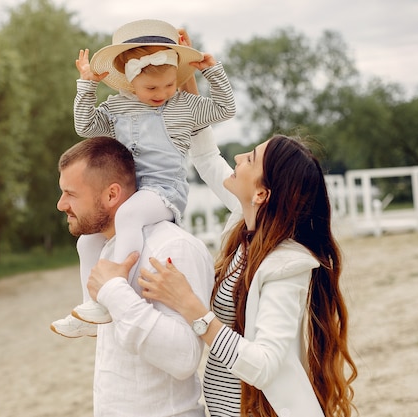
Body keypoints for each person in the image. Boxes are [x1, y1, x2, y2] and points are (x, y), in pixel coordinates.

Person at [95, 127, 358, 416]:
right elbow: (207, 157)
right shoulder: (244, 229)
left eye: (251, 159)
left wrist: (190, 305)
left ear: (261, 194)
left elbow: (264, 365)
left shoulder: (286, 265)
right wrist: (188, 92)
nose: (239, 156)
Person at [51, 19, 235, 337]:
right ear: (130, 81)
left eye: (168, 85)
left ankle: (115, 285)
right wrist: (87, 86)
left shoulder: (184, 106)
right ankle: (89, 309)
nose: (162, 93)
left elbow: (225, 108)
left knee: (129, 215)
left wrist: (212, 71)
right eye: (152, 88)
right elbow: (85, 126)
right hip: (129, 189)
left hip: (163, 191)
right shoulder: (117, 107)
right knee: (86, 240)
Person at [55, 136, 215, 416]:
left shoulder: (172, 248)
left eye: (71, 193)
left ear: (111, 195)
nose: (61, 204)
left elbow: (184, 358)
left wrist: (115, 292)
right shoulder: (105, 249)